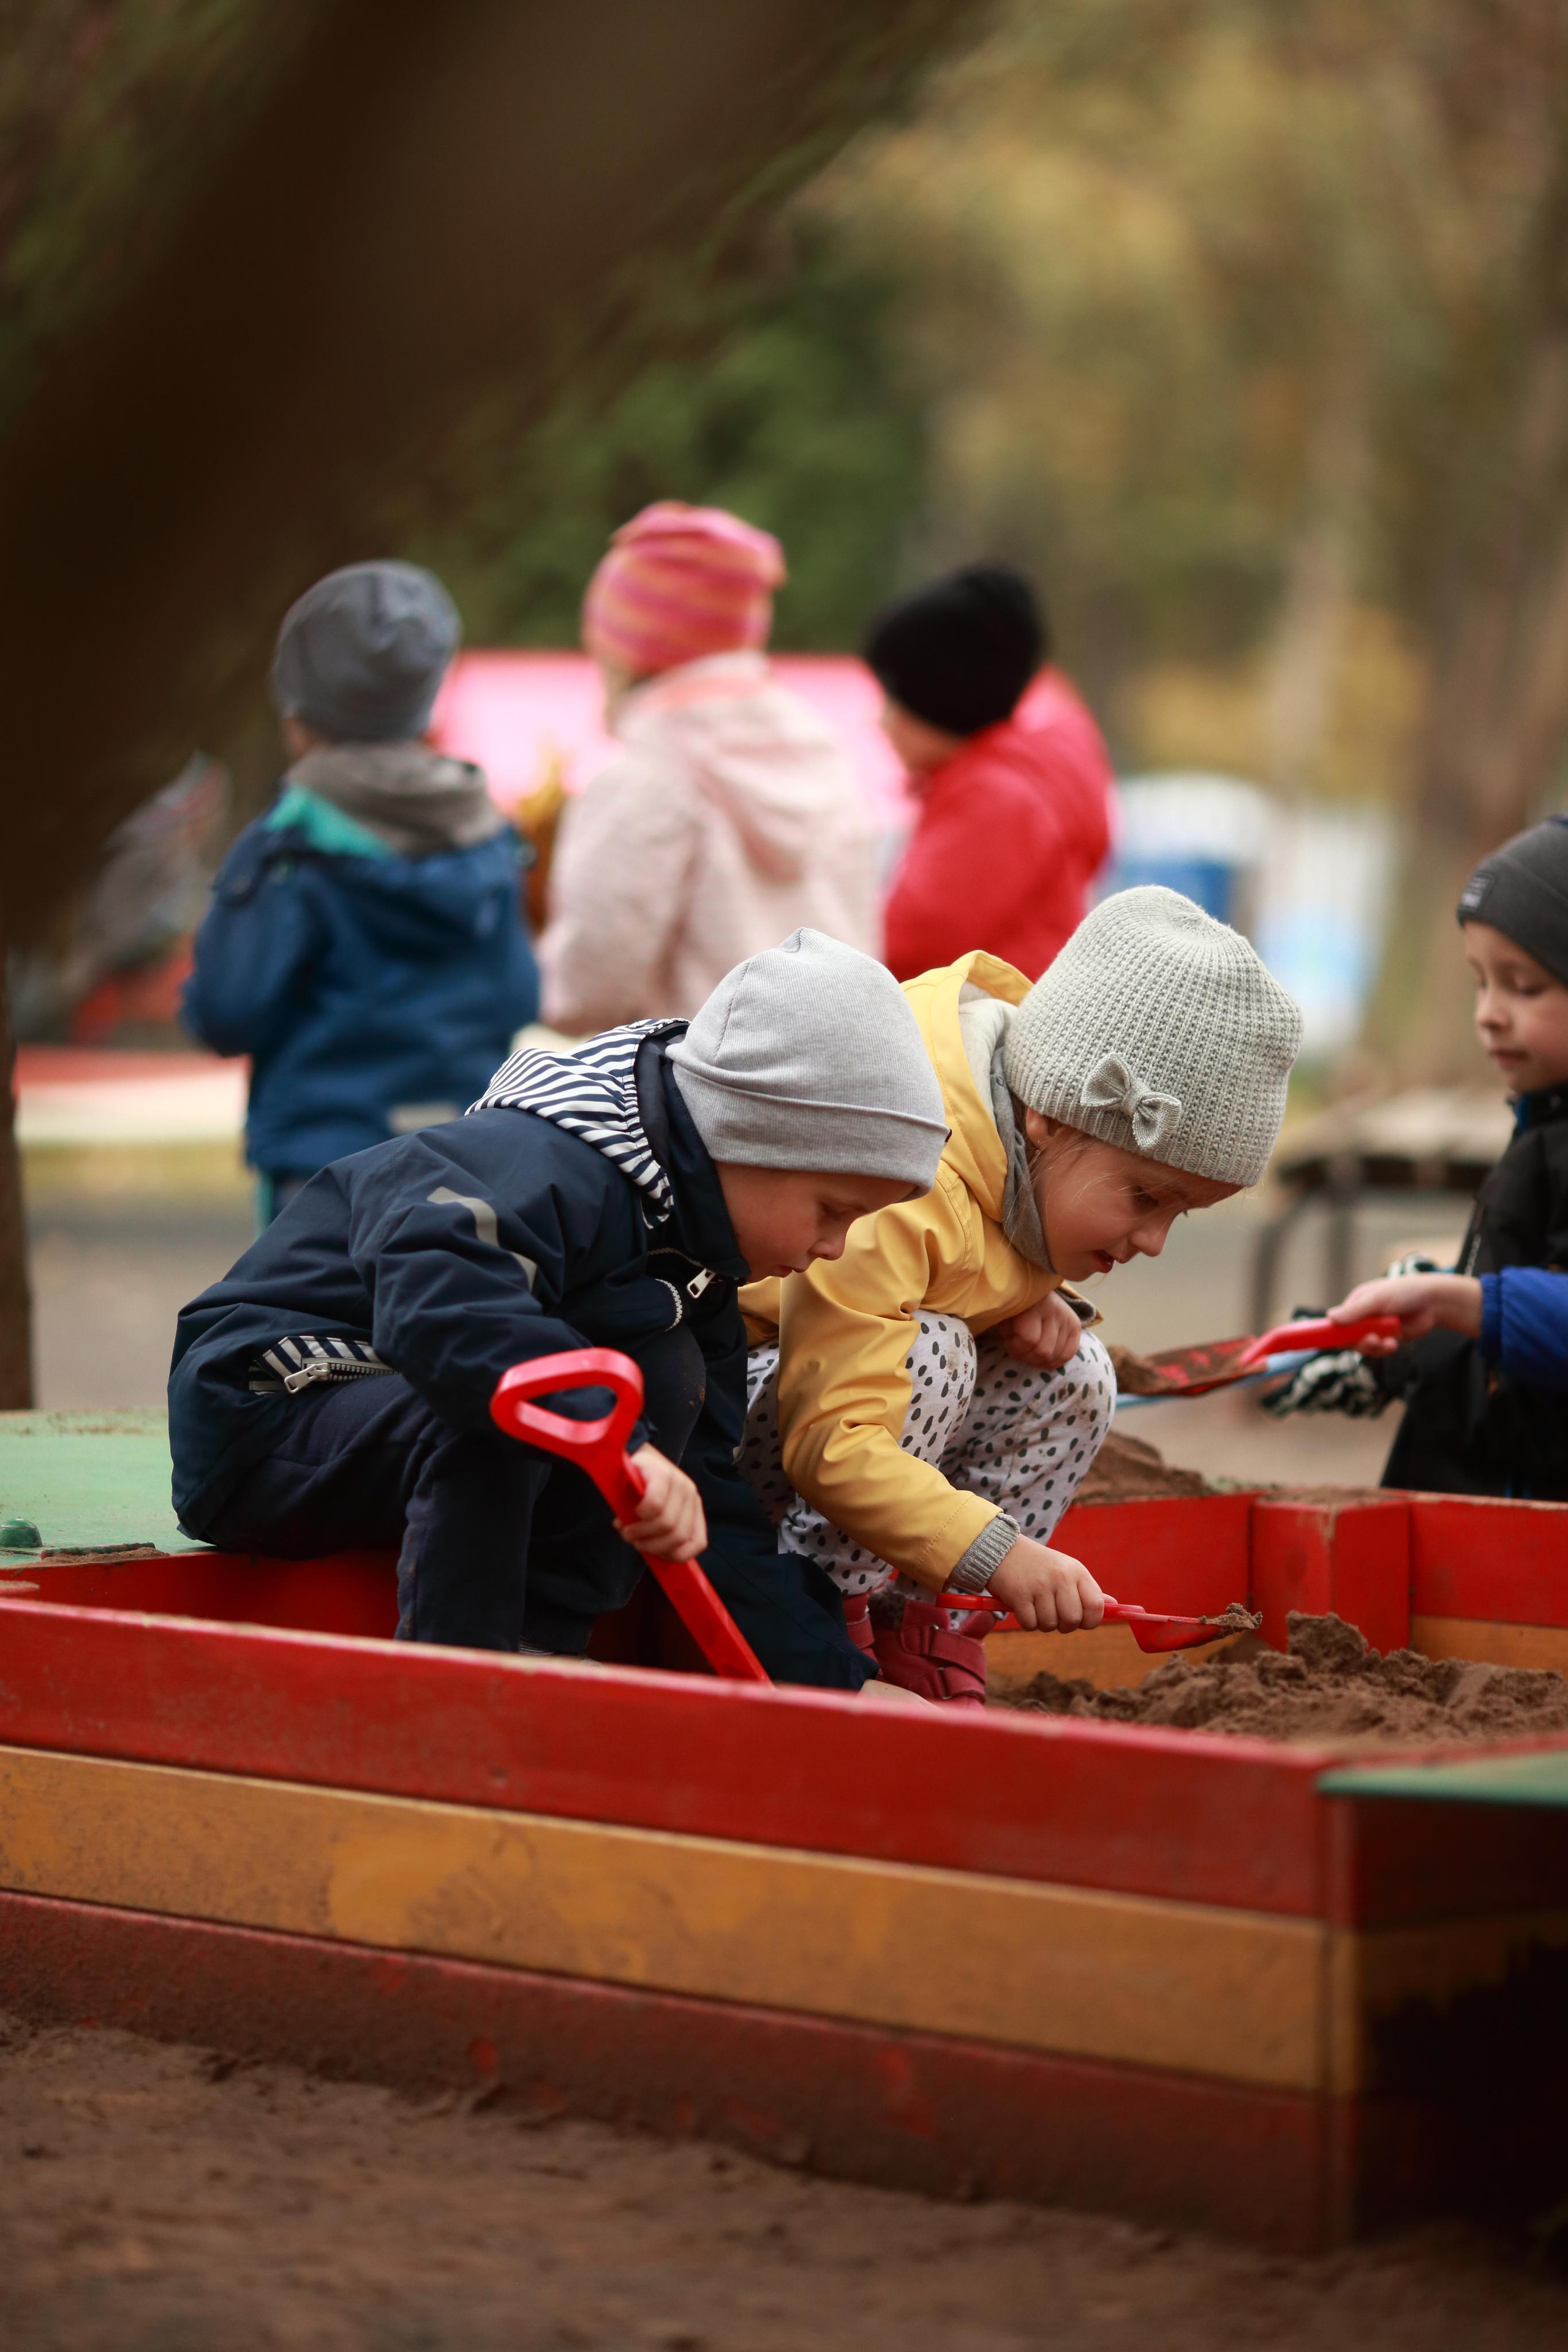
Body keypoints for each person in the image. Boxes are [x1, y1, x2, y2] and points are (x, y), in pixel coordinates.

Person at [168, 929, 951, 1693]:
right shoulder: (541, 1160)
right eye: (832, 1210)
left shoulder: (694, 1267)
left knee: (663, 1372)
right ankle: (460, 1691)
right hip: (271, 1407)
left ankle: (543, 1651)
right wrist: (617, 1440)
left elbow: (707, 1501)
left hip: (392, 1417)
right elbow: (443, 1306)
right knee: (523, 1404)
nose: (834, 1248)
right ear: (750, 1137)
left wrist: (833, 1685)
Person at [741, 888, 1301, 1701]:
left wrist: (1029, 1299)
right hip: (733, 1420)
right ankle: (819, 1615)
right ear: (1049, 1116)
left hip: (832, 1424)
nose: (1153, 1241)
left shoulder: (1025, 1156)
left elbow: (997, 1234)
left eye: (1180, 1213)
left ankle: (927, 1623)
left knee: (1075, 1373)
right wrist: (996, 1552)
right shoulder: (906, 1177)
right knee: (932, 1352)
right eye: (1146, 1197)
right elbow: (832, 1439)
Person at [183, 561, 538, 1222]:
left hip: (324, 1170)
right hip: (462, 1158)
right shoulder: (487, 833)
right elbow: (519, 994)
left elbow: (228, 1011)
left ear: (298, 715)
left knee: (314, 1298)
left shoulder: (288, 844)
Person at [1267, 818, 1568, 1499]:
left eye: (1523, 986)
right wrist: (1402, 1348)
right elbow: (1503, 1342)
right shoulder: (1539, 1127)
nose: (1489, 1013)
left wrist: (1453, 1309)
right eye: (1480, 983)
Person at [539, 502, 878, 1033]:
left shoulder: (648, 778)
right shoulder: (825, 753)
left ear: (631, 652)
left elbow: (586, 993)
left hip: (698, 1078)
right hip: (839, 1068)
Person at [866, 563, 1115, 984]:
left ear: (943, 700)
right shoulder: (1021, 781)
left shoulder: (994, 801)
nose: (883, 722)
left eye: (896, 698)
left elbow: (903, 946)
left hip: (986, 1023)